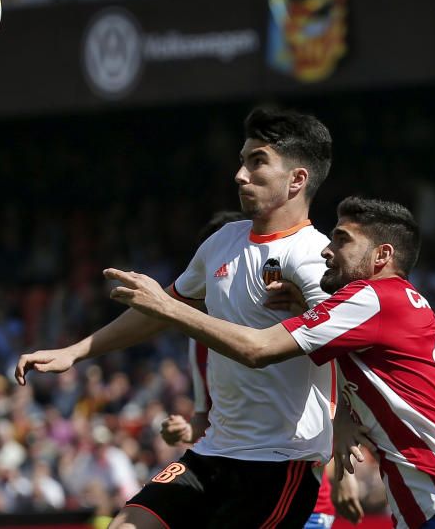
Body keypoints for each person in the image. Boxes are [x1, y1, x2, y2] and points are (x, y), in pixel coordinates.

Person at [98, 197, 435, 528]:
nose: (328, 250)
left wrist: (166, 307)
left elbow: (257, 349)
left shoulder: (372, 299)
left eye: (343, 240)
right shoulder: (395, 302)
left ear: (381, 255)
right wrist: (345, 418)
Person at [17, 108, 337, 528]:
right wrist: (74, 352)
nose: (240, 175)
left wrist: (349, 438)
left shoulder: (315, 258)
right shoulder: (223, 241)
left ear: (297, 179)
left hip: (279, 463)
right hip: (211, 453)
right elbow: (157, 315)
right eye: (242, 160)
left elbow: (321, 354)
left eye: (257, 161)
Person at [158, 210, 363, 528]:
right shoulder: (198, 344)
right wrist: (187, 431)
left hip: (300, 473)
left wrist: (340, 475)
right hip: (231, 474)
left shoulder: (295, 315)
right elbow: (205, 419)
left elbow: (336, 381)